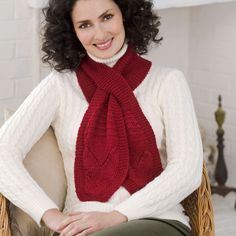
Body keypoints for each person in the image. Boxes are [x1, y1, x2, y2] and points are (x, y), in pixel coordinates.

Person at [0, 0, 203, 235]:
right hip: (80, 224)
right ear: (72, 31)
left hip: (156, 217)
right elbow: (3, 150)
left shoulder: (168, 82)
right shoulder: (60, 85)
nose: (99, 33)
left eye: (107, 17)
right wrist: (48, 213)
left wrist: (115, 217)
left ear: (125, 15)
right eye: (85, 25)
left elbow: (187, 170)